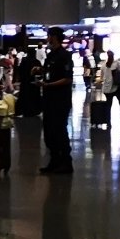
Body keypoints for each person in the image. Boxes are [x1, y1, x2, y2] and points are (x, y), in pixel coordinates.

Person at [37, 27, 74, 174]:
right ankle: (54, 161)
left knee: (59, 130)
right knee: (49, 131)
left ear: (54, 37)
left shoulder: (64, 56)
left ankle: (66, 162)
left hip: (60, 100)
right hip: (49, 100)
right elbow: (49, 72)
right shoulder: (50, 55)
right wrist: (39, 70)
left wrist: (48, 85)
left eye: (49, 36)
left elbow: (67, 79)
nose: (47, 39)